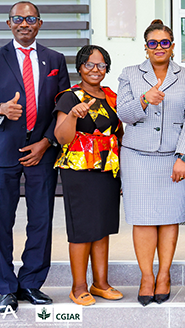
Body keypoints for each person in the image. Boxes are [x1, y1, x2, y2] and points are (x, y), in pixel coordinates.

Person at [0, 1, 70, 312]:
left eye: (30, 19)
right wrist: (0, 110)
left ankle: (31, 283)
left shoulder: (55, 59)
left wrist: (45, 142)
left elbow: (64, 108)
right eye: (18, 19)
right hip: (3, 152)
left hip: (42, 152)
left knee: (41, 220)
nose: (24, 24)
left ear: (39, 24)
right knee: (1, 221)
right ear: (9, 23)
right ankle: (6, 286)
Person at [118, 19, 185, 306]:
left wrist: (183, 156)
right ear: (146, 47)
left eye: (164, 42)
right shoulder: (130, 74)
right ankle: (146, 277)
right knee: (142, 219)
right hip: (137, 156)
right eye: (153, 43)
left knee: (169, 218)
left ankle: (163, 274)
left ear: (173, 47)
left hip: (174, 158)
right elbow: (124, 114)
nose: (159, 47)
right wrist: (144, 99)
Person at [53, 45, 123, 306]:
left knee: (102, 226)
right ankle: (78, 286)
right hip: (79, 170)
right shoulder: (69, 97)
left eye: (101, 65)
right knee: (82, 229)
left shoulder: (112, 96)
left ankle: (101, 283)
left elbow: (119, 133)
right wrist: (73, 115)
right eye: (89, 65)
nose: (95, 70)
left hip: (107, 168)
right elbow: (61, 137)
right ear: (80, 67)